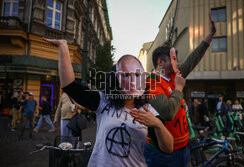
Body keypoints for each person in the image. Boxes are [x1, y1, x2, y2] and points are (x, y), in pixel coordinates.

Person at [43, 37, 174, 167]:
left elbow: (168, 148)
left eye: (137, 75)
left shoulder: (148, 109)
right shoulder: (103, 101)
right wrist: (63, 48)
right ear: (116, 80)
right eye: (126, 75)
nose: (132, 81)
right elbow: (69, 86)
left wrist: (157, 124)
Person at [144, 13, 216, 167]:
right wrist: (178, 88)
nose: (177, 63)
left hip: (183, 149)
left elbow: (192, 61)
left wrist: (209, 38)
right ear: (161, 62)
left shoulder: (171, 75)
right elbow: (168, 112)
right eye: (174, 59)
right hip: (165, 155)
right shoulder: (151, 82)